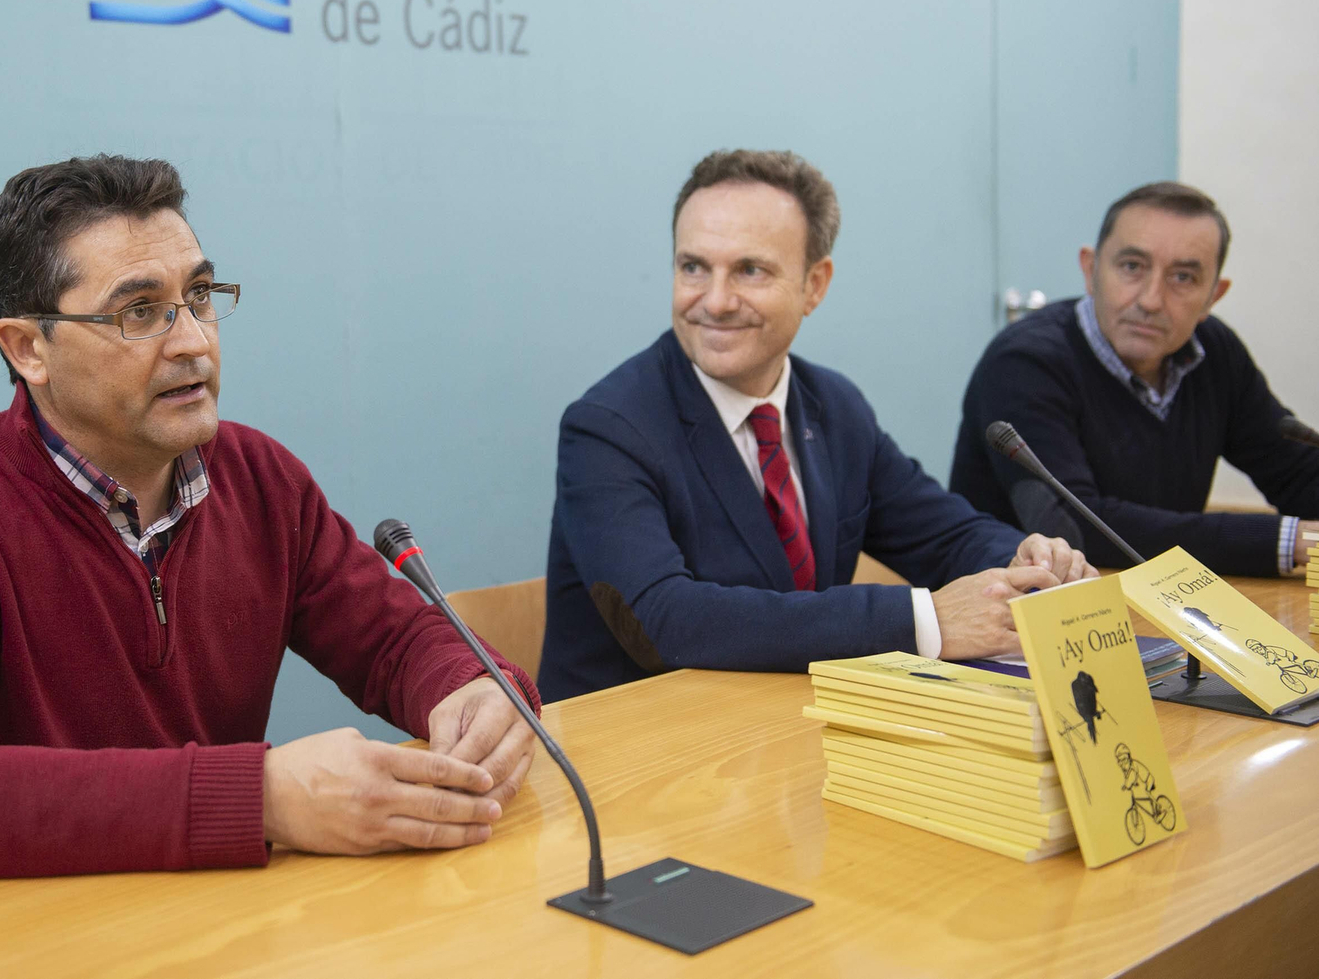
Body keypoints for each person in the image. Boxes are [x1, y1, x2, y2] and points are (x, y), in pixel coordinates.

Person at [0, 155, 538, 879]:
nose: (194, 341)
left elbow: (394, 640)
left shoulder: (259, 480)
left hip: (219, 930)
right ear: (28, 348)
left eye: (198, 296)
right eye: (140, 312)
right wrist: (257, 799)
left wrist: (472, 690)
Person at [539, 150, 1094, 702]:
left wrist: (1028, 560)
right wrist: (928, 620)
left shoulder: (835, 406)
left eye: (749, 270)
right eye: (693, 268)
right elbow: (668, 621)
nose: (715, 300)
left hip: (782, 730)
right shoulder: (608, 427)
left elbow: (945, 535)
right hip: (635, 750)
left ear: (815, 285)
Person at [949, 182, 1319, 576]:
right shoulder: (1025, 363)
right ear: (1090, 270)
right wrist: (1287, 540)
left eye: (1183, 277)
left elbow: (1295, 472)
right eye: (1132, 267)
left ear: (1214, 295)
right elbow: (1079, 525)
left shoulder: (1214, 352)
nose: (1151, 300)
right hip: (1028, 609)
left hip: (1163, 593)